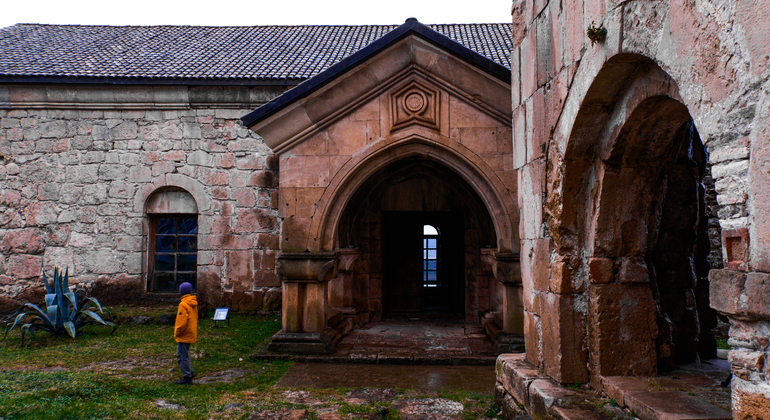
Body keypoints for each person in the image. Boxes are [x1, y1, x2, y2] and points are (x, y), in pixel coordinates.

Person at [174, 282, 198, 385]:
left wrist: (177, 332)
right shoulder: (192, 303)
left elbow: (181, 322)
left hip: (184, 333)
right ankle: (190, 372)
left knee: (181, 356)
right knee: (185, 354)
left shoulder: (183, 304)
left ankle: (187, 376)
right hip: (191, 331)